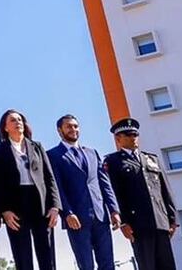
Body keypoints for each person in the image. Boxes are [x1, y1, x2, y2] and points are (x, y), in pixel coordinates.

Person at [46, 114, 121, 270]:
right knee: (86, 265)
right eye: (68, 126)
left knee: (108, 264)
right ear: (60, 131)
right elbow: (57, 188)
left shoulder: (92, 152)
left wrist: (114, 210)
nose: (73, 129)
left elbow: (104, 184)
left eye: (75, 126)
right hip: (76, 219)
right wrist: (67, 213)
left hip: (101, 216)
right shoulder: (52, 155)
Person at [0, 109, 61, 270]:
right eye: (13, 120)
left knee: (47, 254)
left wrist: (55, 206)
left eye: (20, 120)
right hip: (16, 207)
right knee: (22, 256)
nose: (18, 123)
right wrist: (4, 211)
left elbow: (49, 177)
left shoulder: (37, 146)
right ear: (5, 127)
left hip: (40, 205)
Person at [103, 118, 178, 270]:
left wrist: (172, 218)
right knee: (147, 265)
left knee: (167, 265)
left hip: (161, 221)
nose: (133, 138)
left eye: (135, 134)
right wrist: (123, 222)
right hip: (138, 224)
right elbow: (116, 194)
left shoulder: (152, 159)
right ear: (118, 138)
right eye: (128, 135)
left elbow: (165, 191)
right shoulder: (112, 162)